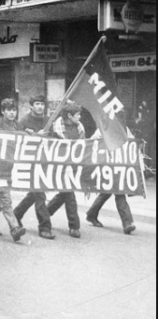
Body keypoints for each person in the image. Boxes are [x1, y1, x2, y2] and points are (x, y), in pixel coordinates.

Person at [0, 98, 27, 242]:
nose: (12, 113)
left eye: (14, 110)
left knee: (0, 195)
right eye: (9, 110)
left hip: (10, 165)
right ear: (3, 111)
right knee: (5, 198)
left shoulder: (18, 125)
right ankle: (14, 227)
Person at [13, 95, 56, 240]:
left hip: (44, 160)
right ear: (31, 106)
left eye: (42, 104)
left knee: (35, 193)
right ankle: (44, 226)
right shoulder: (24, 121)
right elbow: (17, 139)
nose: (40, 107)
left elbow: (55, 139)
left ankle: (17, 214)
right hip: (30, 162)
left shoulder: (48, 120)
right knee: (40, 194)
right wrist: (34, 136)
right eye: (37, 104)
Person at [85, 128, 136, 235]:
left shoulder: (124, 129)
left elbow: (132, 143)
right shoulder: (103, 128)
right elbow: (92, 142)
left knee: (106, 192)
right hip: (107, 166)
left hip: (118, 165)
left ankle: (91, 214)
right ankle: (127, 223)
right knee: (119, 193)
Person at [46, 101, 84, 238]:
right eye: (78, 114)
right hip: (60, 165)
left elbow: (83, 145)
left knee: (65, 193)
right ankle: (74, 226)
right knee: (69, 193)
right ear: (69, 115)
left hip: (72, 165)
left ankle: (46, 211)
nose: (80, 117)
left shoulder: (80, 127)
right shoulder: (56, 128)